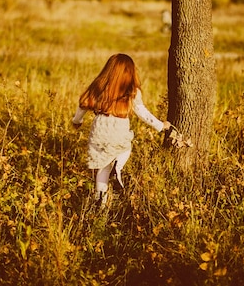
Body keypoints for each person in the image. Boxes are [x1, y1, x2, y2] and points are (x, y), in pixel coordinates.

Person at [72, 53, 170, 206]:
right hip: (119, 127)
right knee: (125, 148)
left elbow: (83, 104)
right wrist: (159, 125)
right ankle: (118, 167)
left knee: (103, 166)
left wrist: (77, 121)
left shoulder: (99, 86)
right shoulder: (132, 91)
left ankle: (100, 200)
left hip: (99, 129)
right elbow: (142, 112)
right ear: (130, 72)